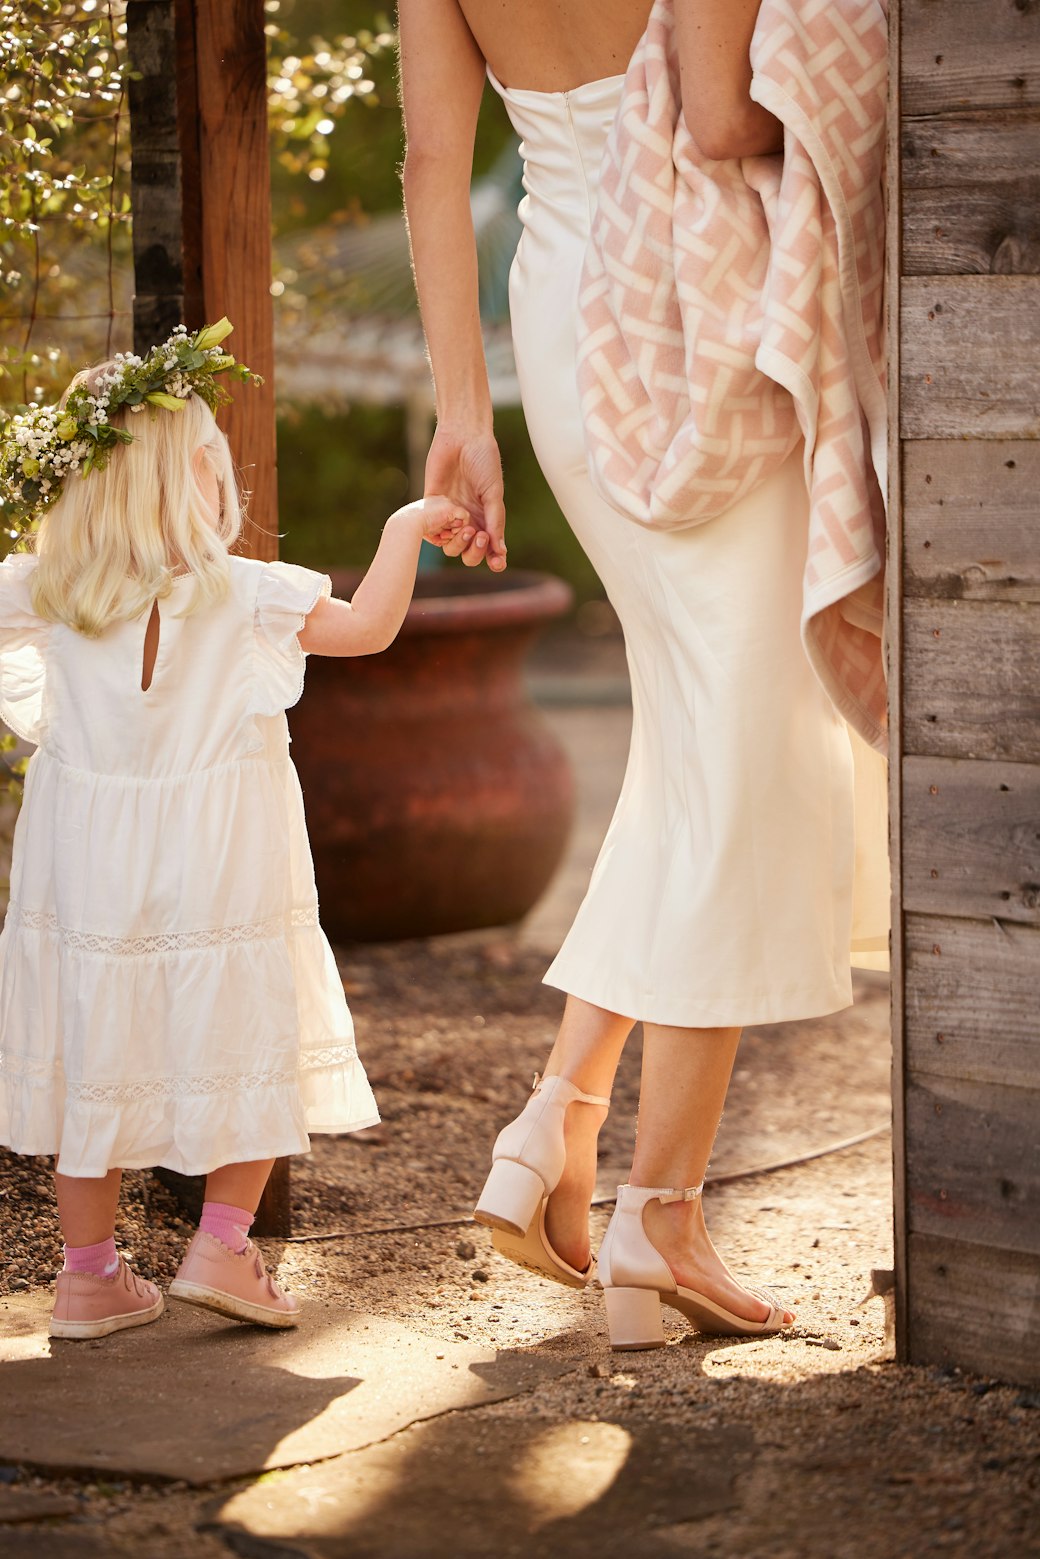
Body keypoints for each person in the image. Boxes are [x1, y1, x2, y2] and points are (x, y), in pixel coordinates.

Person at [399, 0, 874, 1348]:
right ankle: (657, 1214)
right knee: (746, 747)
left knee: (696, 736)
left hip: (560, 312)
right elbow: (724, 118)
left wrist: (459, 415)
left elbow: (436, 166)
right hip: (693, 293)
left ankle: (560, 1121)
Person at [0, 322, 472, 1341]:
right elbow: (369, 628)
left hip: (87, 872)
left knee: (93, 1043)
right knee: (245, 1031)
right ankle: (222, 1241)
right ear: (201, 476)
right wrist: (401, 527)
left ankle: (87, 1275)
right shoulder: (249, 593)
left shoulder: (49, 593)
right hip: (223, 863)